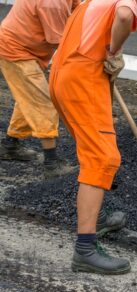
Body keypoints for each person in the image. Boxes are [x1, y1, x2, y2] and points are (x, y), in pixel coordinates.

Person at [49, 0, 137, 274]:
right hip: (83, 79)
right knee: (102, 158)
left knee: (91, 149)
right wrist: (113, 51)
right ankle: (85, 250)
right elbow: (125, 16)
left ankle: (99, 217)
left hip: (62, 75)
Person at [0, 0, 79, 178]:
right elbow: (59, 41)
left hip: (30, 48)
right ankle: (51, 164)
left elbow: (76, 15)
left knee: (29, 98)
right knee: (45, 103)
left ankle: (9, 146)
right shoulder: (52, 3)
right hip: (15, 50)